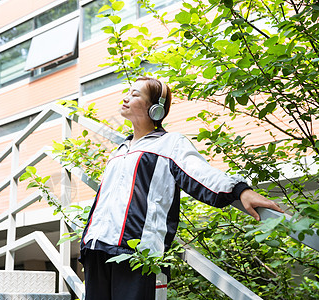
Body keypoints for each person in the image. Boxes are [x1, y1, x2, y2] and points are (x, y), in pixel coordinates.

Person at [79, 77, 284, 300]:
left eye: (136, 94)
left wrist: (240, 190)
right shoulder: (118, 151)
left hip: (138, 255)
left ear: (155, 108)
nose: (126, 98)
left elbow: (200, 173)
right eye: (128, 92)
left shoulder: (170, 143)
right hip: (97, 249)